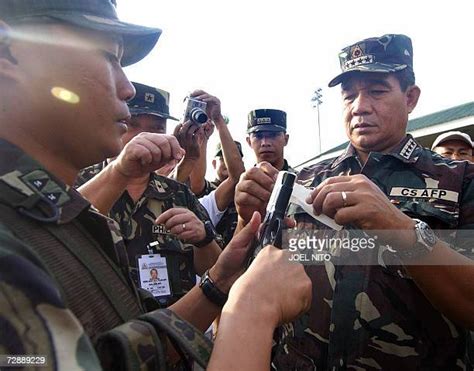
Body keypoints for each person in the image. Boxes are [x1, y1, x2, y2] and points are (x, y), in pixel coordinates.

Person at [0, 1, 311, 369]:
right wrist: (252, 311)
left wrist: (220, 281)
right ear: (11, 56)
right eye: (107, 57)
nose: (127, 88)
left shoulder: (40, 214)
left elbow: (112, 355)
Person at [235, 33, 474, 370]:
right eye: (349, 96)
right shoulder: (301, 180)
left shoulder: (461, 180)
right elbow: (253, 281)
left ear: (411, 97)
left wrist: (400, 229)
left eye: (376, 91)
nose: (360, 106)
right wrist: (247, 221)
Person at [77, 81, 222, 309]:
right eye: (132, 124)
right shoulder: (80, 184)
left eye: (156, 128)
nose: (144, 136)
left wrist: (204, 240)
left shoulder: (178, 194)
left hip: (170, 333)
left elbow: (217, 272)